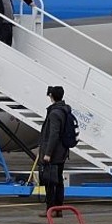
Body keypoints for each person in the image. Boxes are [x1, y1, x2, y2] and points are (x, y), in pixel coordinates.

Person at [36, 86, 71, 217]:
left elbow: (53, 135)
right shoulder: (64, 110)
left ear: (51, 96)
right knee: (59, 181)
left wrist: (48, 153)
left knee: (50, 182)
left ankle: (51, 209)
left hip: (54, 153)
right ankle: (58, 209)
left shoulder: (55, 113)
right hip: (62, 151)